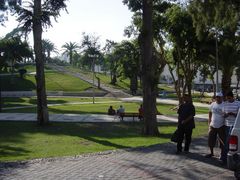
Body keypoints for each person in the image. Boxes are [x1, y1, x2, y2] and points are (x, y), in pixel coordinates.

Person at [221, 91, 240, 163]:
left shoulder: (238, 103)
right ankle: (226, 157)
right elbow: (223, 115)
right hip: (226, 125)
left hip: (234, 125)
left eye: (229, 98)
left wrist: (233, 114)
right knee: (228, 141)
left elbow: (239, 115)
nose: (228, 100)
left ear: (232, 97)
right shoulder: (225, 104)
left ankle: (224, 158)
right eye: (227, 98)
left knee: (228, 142)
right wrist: (226, 115)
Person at [205, 92, 225, 159]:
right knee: (210, 139)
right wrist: (209, 122)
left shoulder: (224, 105)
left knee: (222, 140)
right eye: (217, 97)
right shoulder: (213, 104)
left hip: (221, 126)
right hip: (212, 125)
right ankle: (211, 153)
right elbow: (210, 113)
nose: (218, 98)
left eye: (219, 97)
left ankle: (222, 154)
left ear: (222, 98)